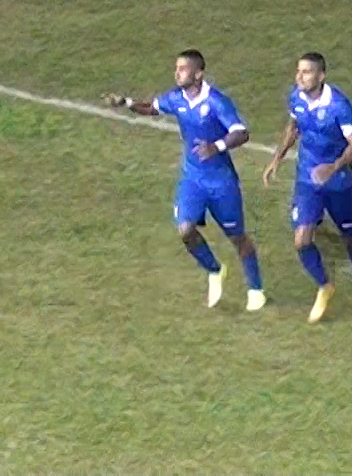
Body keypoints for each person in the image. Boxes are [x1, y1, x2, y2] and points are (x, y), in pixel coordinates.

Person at [106, 50, 266, 311]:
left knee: (237, 237)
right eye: (176, 68)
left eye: (183, 69)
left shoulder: (216, 102)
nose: (177, 73)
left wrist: (216, 146)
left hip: (221, 182)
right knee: (185, 230)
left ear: (198, 73)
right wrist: (126, 102)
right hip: (193, 178)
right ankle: (214, 270)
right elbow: (152, 108)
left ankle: (256, 288)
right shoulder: (176, 98)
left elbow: (241, 133)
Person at [262, 52, 352, 324]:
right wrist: (277, 158)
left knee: (350, 238)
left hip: (338, 183)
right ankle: (325, 285)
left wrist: (332, 168)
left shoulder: (339, 106)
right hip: (307, 181)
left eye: (307, 72)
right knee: (301, 240)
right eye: (298, 71)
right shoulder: (296, 97)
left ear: (321, 76)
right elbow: (293, 127)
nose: (300, 77)